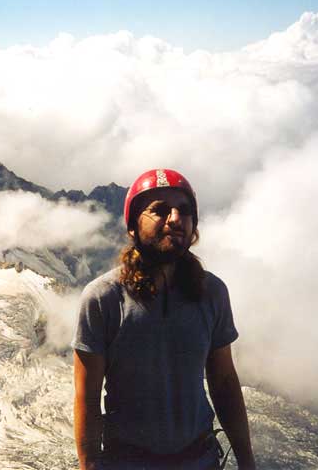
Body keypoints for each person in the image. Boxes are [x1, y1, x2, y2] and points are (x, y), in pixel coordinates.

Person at [72, 169, 255, 470]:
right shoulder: (103, 298)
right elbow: (87, 397)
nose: (175, 219)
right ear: (133, 226)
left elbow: (223, 381)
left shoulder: (212, 293)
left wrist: (247, 462)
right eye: (159, 210)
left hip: (199, 460)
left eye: (184, 210)